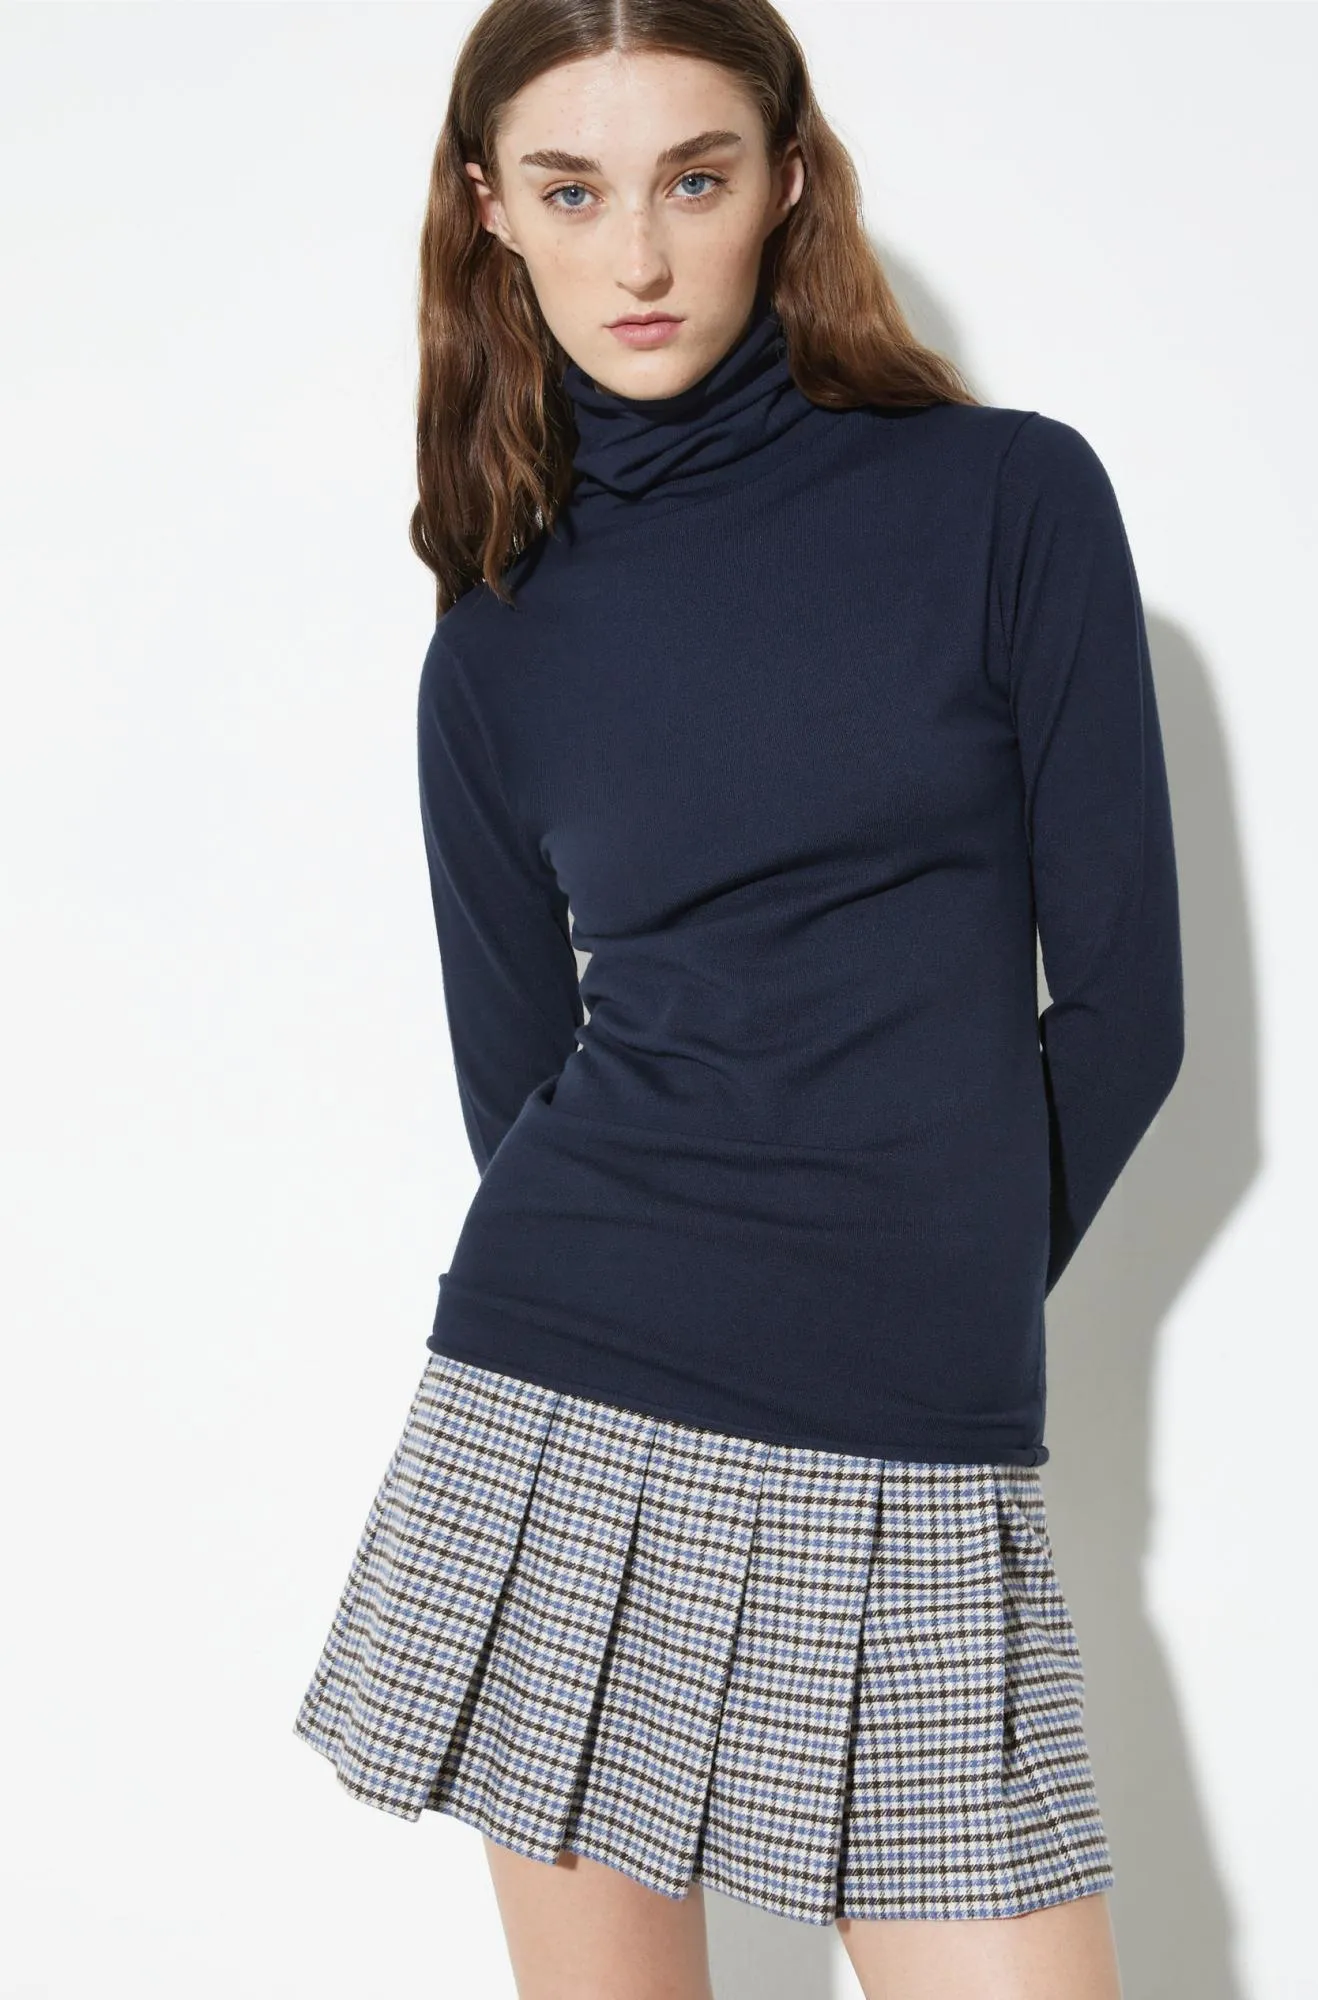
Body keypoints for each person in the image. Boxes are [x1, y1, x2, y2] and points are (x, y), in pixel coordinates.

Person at [293, 2, 1184, 1994]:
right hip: (566, 1392)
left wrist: (902, 1298)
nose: (637, 253)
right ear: (487, 211)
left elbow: (1129, 1015)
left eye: (691, 179)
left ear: (785, 177)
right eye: (570, 191)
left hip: (920, 1431)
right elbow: (515, 1087)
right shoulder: (496, 645)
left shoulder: (1007, 501)